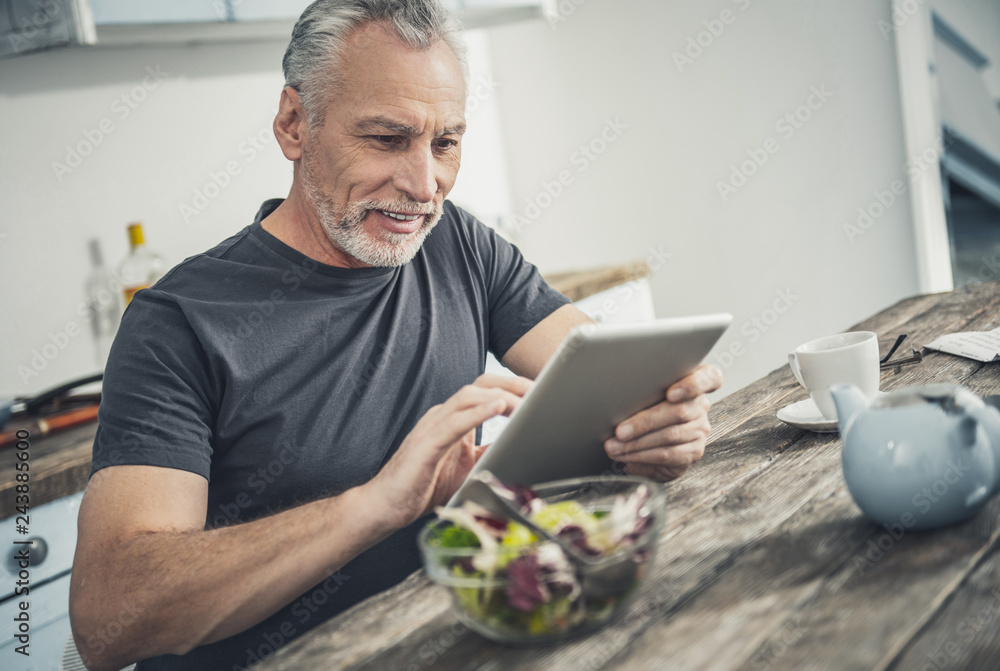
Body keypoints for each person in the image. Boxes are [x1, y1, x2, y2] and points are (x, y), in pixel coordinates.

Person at [69, 1, 723, 669]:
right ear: (294, 124)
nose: (424, 185)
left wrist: (660, 421)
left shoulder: (457, 244)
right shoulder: (178, 321)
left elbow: (613, 380)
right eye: (386, 139)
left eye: (446, 143)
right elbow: (108, 617)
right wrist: (372, 506)